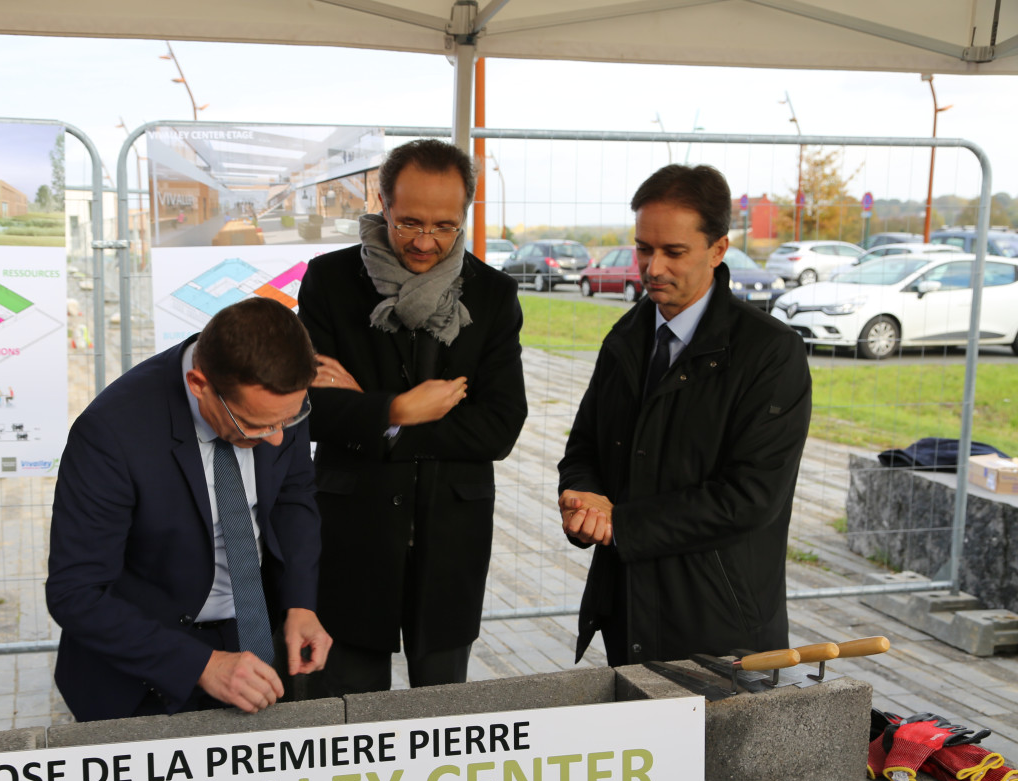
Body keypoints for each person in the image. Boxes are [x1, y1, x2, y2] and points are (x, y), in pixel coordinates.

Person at [557, 164, 812, 667]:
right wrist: (581, 497)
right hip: (628, 613)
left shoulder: (770, 353)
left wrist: (620, 525)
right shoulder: (625, 338)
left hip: (721, 632)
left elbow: (750, 498)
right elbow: (584, 445)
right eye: (643, 248)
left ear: (718, 250)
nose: (653, 268)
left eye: (674, 252)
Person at [297, 139, 527, 696]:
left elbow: (499, 425)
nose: (426, 242)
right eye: (409, 224)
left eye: (446, 226)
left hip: (451, 538)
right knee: (344, 713)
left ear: (466, 214)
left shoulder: (493, 295)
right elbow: (313, 408)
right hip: (353, 534)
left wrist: (380, 421)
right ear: (381, 203)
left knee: (443, 713)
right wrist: (400, 407)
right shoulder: (328, 282)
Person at [47, 296, 331, 722]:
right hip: (140, 674)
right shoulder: (111, 433)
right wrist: (200, 664)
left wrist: (300, 603)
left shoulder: (277, 395)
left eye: (287, 422)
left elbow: (293, 497)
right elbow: (76, 593)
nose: (276, 439)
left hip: (253, 643)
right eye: (253, 427)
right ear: (199, 384)